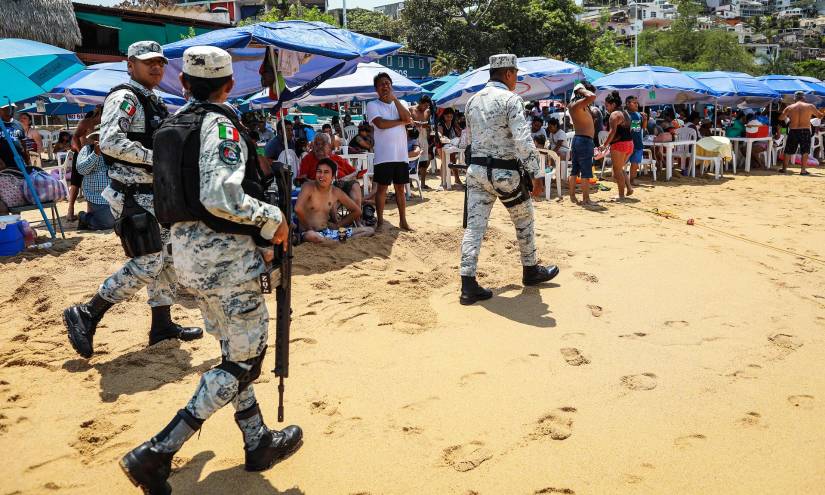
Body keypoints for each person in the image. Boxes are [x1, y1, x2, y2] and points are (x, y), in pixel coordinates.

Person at [120, 46, 302, 492]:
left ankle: (257, 441)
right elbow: (221, 196)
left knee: (231, 352)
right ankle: (159, 450)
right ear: (228, 86)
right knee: (245, 360)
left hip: (186, 256)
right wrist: (272, 219)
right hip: (224, 258)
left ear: (183, 83)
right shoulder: (219, 125)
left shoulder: (169, 126)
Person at [62, 41, 202, 360]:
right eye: (147, 61)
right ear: (131, 65)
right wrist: (159, 158)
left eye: (160, 62)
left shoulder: (150, 99)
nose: (156, 66)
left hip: (155, 196)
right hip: (132, 196)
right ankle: (87, 312)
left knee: (165, 259)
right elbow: (110, 142)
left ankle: (162, 325)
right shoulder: (125, 97)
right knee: (147, 262)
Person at [459, 54, 559, 305]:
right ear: (509, 74)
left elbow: (468, 142)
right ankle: (530, 270)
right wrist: (536, 173)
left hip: (477, 172)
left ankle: (468, 284)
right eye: (516, 74)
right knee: (524, 219)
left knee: (474, 228)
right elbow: (523, 142)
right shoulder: (511, 99)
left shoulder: (472, 101)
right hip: (506, 173)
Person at [367, 72, 414, 231]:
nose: (385, 86)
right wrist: (401, 122)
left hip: (401, 154)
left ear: (391, 85)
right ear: (376, 89)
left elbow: (408, 118)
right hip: (383, 155)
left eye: (387, 83)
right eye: (381, 84)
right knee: (382, 189)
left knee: (400, 188)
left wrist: (395, 100)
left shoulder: (401, 102)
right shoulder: (372, 105)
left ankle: (403, 221)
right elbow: (380, 124)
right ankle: (380, 222)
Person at [296, 158, 374, 244]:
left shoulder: (335, 192)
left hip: (328, 232)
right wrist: (309, 228)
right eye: (319, 171)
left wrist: (338, 225)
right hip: (309, 233)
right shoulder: (308, 186)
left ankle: (337, 241)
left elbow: (357, 211)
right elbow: (298, 209)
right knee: (311, 235)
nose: (321, 175)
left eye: (326, 172)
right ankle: (337, 241)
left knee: (369, 230)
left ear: (333, 176)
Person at [296, 133, 363, 211]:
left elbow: (355, 173)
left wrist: (346, 178)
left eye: (323, 144)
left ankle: (357, 219)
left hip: (341, 185)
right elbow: (302, 180)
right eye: (317, 144)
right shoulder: (308, 159)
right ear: (313, 146)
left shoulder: (336, 158)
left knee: (354, 185)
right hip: (319, 188)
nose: (320, 147)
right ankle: (336, 219)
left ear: (329, 146)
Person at [75, 125, 115, 230]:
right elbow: (81, 169)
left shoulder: (114, 150)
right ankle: (84, 217)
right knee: (108, 223)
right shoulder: (87, 150)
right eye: (99, 137)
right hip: (97, 196)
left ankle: (93, 220)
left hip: (115, 194)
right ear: (95, 139)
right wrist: (95, 154)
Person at [68, 105, 103, 221]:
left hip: (101, 153)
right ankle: (70, 209)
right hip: (84, 152)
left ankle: (91, 210)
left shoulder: (109, 121)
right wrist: (79, 151)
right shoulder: (86, 122)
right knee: (75, 182)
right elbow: (75, 137)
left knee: (93, 182)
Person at [779, 91, 824, 175]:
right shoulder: (810, 106)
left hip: (793, 130)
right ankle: (803, 170)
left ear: (794, 99)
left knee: (788, 150)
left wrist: (789, 116)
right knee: (805, 151)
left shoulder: (790, 107)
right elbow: (820, 116)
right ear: (804, 98)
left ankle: (784, 169)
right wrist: (822, 112)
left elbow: (781, 118)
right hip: (805, 130)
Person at [567, 83, 597, 205]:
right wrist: (581, 89)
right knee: (585, 171)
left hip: (579, 139)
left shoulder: (574, 105)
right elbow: (592, 96)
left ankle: (572, 196)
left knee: (575, 170)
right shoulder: (578, 104)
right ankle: (586, 199)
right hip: (584, 140)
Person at [602, 91, 633, 200]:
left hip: (619, 145)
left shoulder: (614, 114)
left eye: (607, 105)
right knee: (620, 168)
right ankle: (629, 188)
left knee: (616, 172)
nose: (606, 108)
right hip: (629, 143)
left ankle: (621, 195)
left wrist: (604, 145)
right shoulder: (626, 113)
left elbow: (612, 131)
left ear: (613, 104)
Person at [436, 107, 463, 188]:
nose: (449, 118)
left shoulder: (453, 122)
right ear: (444, 116)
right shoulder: (441, 123)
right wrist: (441, 136)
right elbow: (439, 133)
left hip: (450, 143)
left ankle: (457, 179)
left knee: (453, 160)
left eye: (451, 117)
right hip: (441, 144)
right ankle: (442, 182)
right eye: (447, 117)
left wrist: (460, 131)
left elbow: (460, 131)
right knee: (444, 161)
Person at [410, 95, 433, 189]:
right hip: (413, 136)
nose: (426, 107)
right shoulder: (411, 110)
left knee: (424, 161)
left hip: (423, 137)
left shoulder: (428, 111)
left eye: (427, 106)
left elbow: (428, 125)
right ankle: (410, 182)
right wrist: (416, 123)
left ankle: (422, 183)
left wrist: (426, 126)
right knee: (411, 160)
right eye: (425, 105)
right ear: (420, 103)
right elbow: (408, 123)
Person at [626, 96, 647, 186]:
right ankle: (620, 180)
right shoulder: (624, 114)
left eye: (636, 103)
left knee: (635, 165)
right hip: (627, 143)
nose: (636, 104)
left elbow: (643, 128)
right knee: (621, 164)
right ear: (627, 103)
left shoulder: (638, 115)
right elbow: (633, 129)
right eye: (634, 103)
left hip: (637, 143)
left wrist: (645, 119)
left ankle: (631, 181)